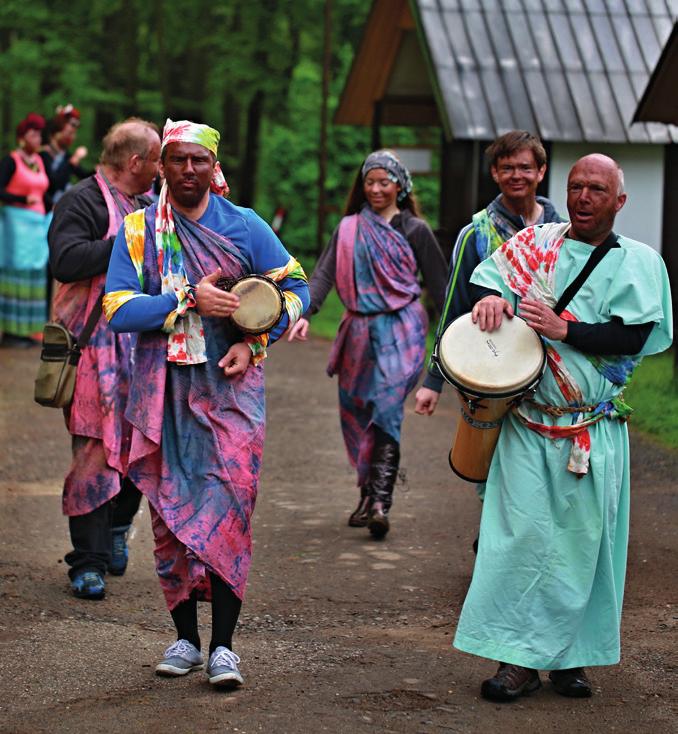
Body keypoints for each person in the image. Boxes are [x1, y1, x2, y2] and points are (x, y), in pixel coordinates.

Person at [452, 154, 672, 702]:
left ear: (620, 201)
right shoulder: (533, 245)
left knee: (582, 547)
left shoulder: (639, 262)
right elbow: (483, 288)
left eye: (597, 189)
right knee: (518, 543)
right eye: (576, 186)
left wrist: (564, 329)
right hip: (528, 423)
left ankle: (570, 659)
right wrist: (493, 303)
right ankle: (515, 661)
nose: (583, 197)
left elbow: (633, 335)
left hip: (591, 430)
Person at [104, 119, 309, 689]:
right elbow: (118, 310)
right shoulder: (140, 230)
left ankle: (223, 647)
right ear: (161, 166)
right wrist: (187, 298)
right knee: (169, 518)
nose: (188, 170)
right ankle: (185, 640)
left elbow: (296, 287)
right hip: (162, 397)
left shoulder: (243, 226)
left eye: (199, 160)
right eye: (177, 160)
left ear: (213, 165)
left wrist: (255, 341)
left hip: (230, 393)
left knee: (229, 512)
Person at [287, 150, 447, 538]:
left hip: (402, 328)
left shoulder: (416, 230)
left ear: (400, 186)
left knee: (387, 406)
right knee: (358, 413)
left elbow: (442, 291)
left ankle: (380, 502)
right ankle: (366, 492)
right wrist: (305, 313)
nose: (376, 189)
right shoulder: (348, 228)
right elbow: (323, 274)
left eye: (384, 182)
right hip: (357, 330)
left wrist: (451, 340)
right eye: (370, 182)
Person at [48, 118, 161, 600]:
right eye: (158, 159)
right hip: (93, 352)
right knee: (93, 456)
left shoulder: (153, 205)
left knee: (141, 446)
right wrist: (129, 241)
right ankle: (87, 562)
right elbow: (66, 261)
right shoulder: (82, 201)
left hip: (144, 349)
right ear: (135, 162)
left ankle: (117, 529)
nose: (164, 168)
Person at [415, 130, 563, 417]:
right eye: (507, 168)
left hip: (554, 375)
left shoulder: (562, 235)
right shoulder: (475, 235)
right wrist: (434, 380)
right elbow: (453, 306)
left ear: (541, 171)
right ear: (494, 173)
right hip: (494, 373)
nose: (516, 175)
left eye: (525, 168)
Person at [0, 113, 50, 346]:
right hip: (16, 226)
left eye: (39, 134)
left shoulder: (39, 161)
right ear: (22, 138)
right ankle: (12, 331)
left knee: (35, 273)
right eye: (32, 134)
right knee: (17, 273)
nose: (37, 138)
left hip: (36, 227)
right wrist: (21, 198)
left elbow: (43, 192)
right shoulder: (11, 161)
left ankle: (30, 329)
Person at [40, 104, 90, 211]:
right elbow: (52, 184)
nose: (72, 137)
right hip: (44, 208)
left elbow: (84, 176)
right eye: (69, 133)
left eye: (73, 134)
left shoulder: (66, 155)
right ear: (55, 133)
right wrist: (72, 162)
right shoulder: (42, 154)